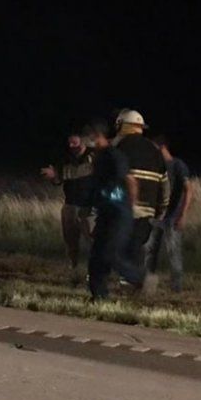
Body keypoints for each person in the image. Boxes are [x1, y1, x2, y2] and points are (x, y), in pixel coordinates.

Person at [85, 119, 143, 300]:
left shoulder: (113, 155)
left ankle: (139, 278)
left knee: (111, 254)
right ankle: (99, 296)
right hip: (105, 213)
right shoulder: (97, 159)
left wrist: (129, 207)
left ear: (98, 136)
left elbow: (130, 181)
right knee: (96, 257)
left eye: (90, 136)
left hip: (119, 213)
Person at [112, 109, 168, 285]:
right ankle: (133, 280)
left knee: (115, 245)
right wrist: (161, 209)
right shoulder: (155, 151)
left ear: (123, 126)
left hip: (124, 205)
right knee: (136, 244)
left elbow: (112, 178)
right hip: (148, 209)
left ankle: (132, 279)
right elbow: (164, 185)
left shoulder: (119, 147)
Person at [40, 133, 95, 282]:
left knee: (93, 243)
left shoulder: (94, 158)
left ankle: (94, 275)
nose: (71, 146)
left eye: (74, 143)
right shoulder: (66, 158)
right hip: (70, 205)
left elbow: (80, 172)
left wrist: (58, 173)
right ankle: (72, 272)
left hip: (88, 208)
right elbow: (59, 180)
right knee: (70, 243)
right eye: (69, 143)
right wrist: (54, 177)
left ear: (83, 141)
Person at [144, 135, 192, 292]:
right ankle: (148, 284)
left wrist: (183, 214)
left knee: (173, 252)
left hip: (172, 217)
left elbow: (189, 190)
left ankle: (176, 288)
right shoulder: (156, 166)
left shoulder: (178, 165)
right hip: (156, 216)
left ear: (162, 147)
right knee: (149, 251)